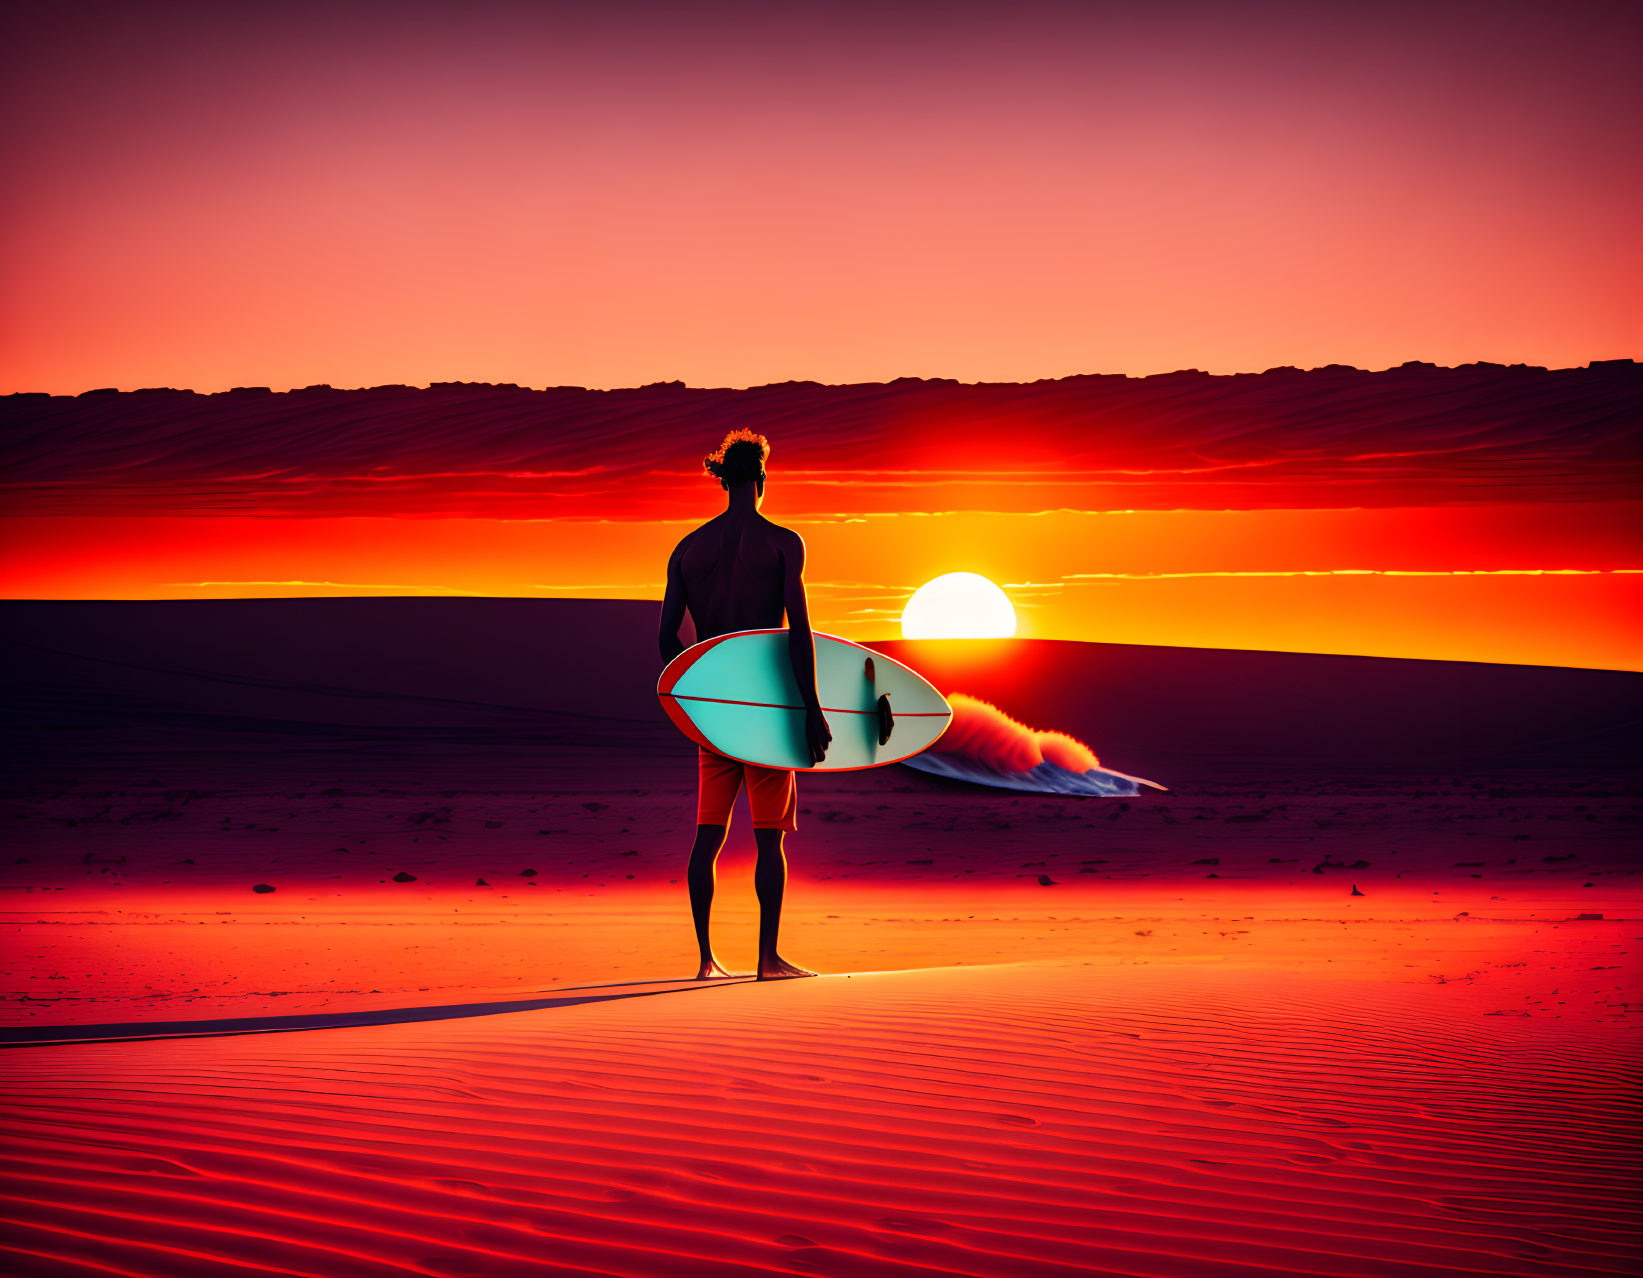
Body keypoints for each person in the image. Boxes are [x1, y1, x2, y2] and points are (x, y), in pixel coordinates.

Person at [658, 429, 831, 981]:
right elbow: (799, 631)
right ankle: (768, 958)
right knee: (768, 839)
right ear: (761, 480)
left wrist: (700, 694)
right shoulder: (783, 542)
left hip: (716, 714)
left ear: (723, 480)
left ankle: (706, 959)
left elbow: (667, 640)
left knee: (707, 835)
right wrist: (813, 709)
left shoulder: (687, 549)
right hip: (768, 713)